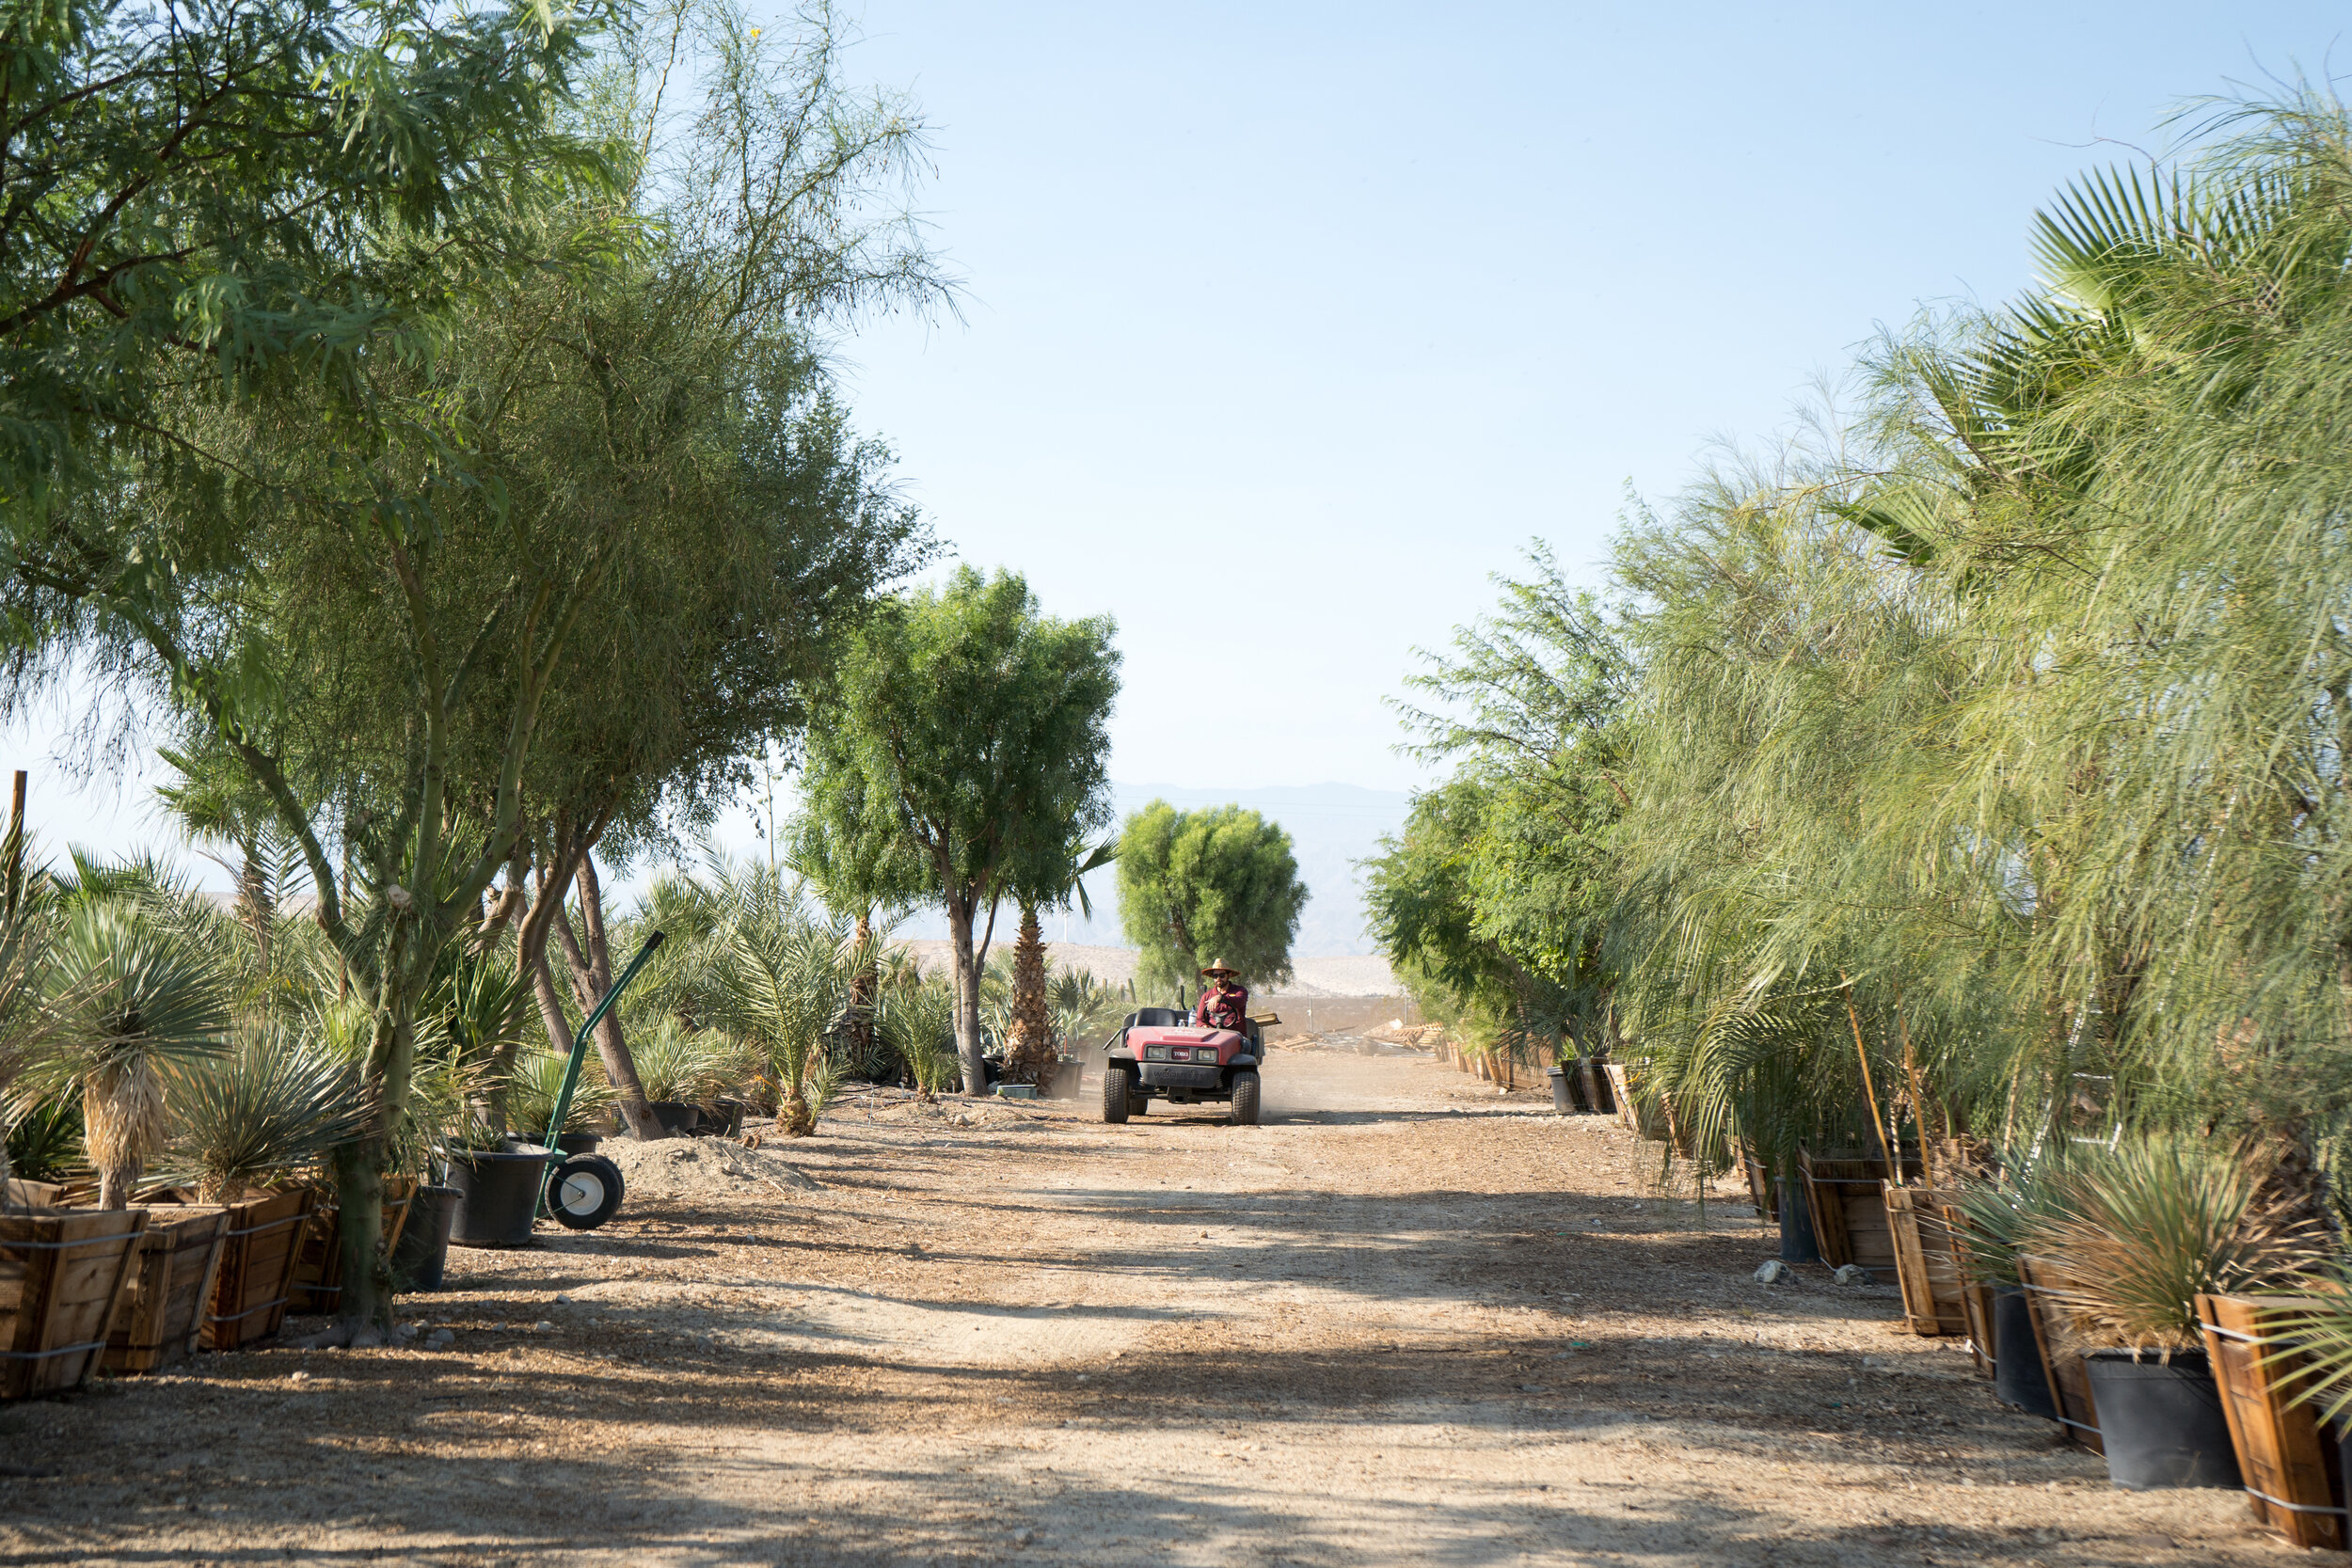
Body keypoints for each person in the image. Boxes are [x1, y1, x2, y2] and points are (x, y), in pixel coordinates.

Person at [1196, 960, 1249, 1032]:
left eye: (1222, 975)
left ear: (1229, 975)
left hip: (1235, 1036)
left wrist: (1221, 997)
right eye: (1215, 976)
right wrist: (1203, 1026)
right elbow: (1200, 1020)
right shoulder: (1206, 996)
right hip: (1212, 1035)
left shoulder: (1239, 991)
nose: (1218, 978)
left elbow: (1240, 1001)